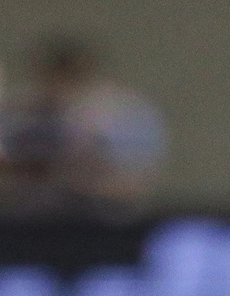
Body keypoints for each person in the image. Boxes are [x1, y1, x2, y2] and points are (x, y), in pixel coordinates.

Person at [0, 34, 167, 218]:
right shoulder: (25, 112)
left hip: (104, 218)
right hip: (33, 220)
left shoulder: (121, 114)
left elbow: (134, 181)